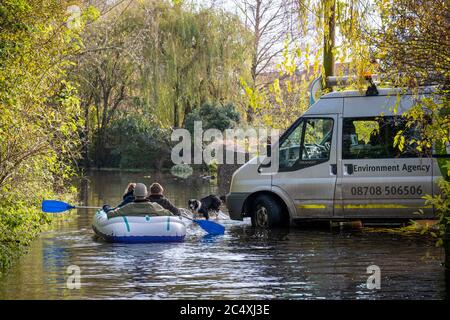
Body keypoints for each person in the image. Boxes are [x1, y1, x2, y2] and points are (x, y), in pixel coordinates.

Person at [106, 183, 173, 219]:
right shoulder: (154, 206)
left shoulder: (128, 207)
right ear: (146, 193)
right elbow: (169, 214)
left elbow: (110, 215)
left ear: (134, 194)